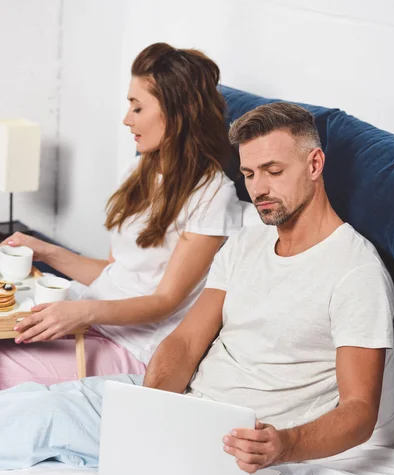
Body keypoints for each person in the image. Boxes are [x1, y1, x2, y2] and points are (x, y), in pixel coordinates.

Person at [0, 101, 394, 472]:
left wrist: (284, 445)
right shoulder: (248, 241)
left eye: (273, 172)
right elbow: (187, 341)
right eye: (248, 174)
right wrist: (154, 404)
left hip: (238, 439)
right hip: (180, 405)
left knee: (42, 423)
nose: (258, 189)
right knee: (29, 402)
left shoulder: (355, 272)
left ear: (314, 164)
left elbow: (360, 411)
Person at [0, 42, 246, 390]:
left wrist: (83, 313)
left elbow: (165, 301)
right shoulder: (138, 171)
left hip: (130, 345)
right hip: (90, 316)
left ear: (177, 113)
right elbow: (115, 271)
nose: (126, 118)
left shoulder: (212, 197)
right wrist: (45, 251)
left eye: (137, 107)